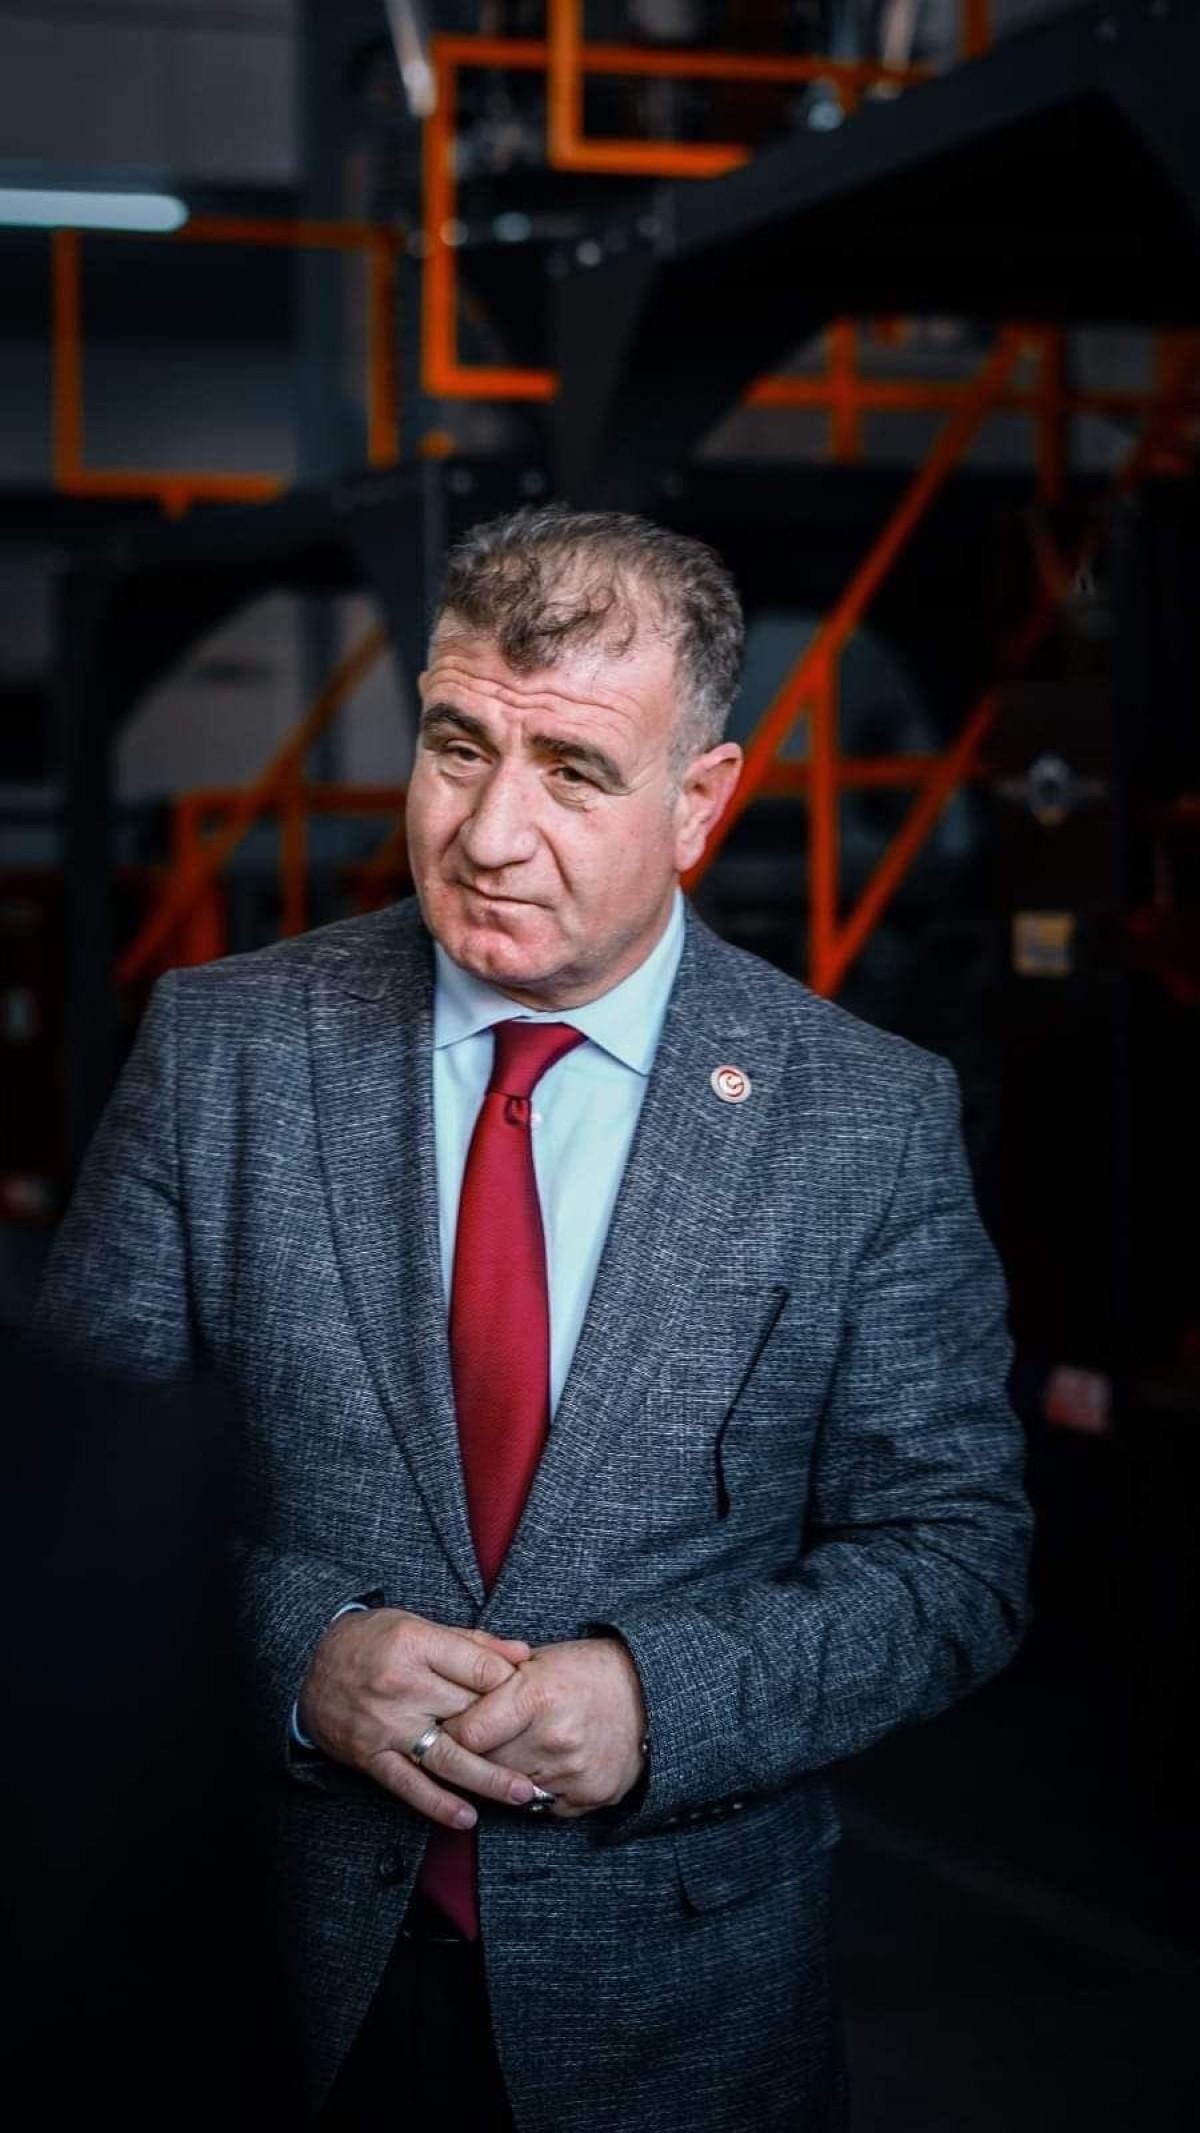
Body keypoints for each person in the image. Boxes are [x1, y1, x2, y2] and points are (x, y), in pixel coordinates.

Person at [32, 505, 1031, 2133]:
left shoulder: (863, 1118)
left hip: (683, 2020)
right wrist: (302, 1655)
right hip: (258, 1978)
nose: (490, 833)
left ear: (699, 803)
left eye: (573, 770)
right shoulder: (224, 1052)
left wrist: (658, 1700)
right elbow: (68, 1507)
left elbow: (957, 1555)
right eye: (457, 746)